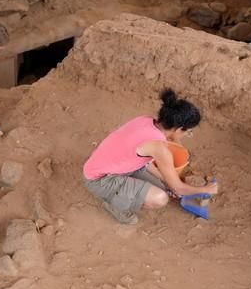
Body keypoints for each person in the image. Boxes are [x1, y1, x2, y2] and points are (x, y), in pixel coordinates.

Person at [83, 89, 219, 225]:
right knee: (160, 198)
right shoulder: (158, 148)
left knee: (164, 187)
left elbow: (144, 162)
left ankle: (123, 191)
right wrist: (205, 190)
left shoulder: (146, 120)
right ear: (179, 129)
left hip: (108, 165)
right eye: (188, 132)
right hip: (99, 179)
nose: (187, 135)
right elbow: (179, 189)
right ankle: (115, 206)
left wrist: (168, 181)